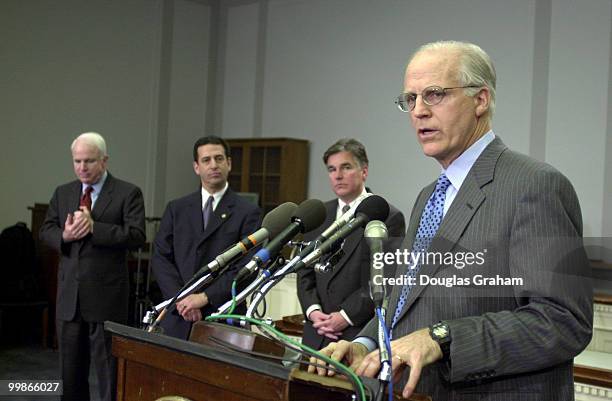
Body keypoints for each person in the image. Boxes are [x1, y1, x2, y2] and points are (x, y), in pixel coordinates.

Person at [310, 41, 592, 401]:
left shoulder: (534, 185)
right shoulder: (429, 195)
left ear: (481, 99)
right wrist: (366, 343)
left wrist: (441, 338)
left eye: (434, 95)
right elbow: (407, 296)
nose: (419, 111)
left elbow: (563, 321)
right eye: (410, 99)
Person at [40, 132, 146, 401]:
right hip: (69, 300)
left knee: (108, 374)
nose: (82, 167)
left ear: (104, 160)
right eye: (77, 161)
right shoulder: (63, 192)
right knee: (70, 376)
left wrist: (94, 228)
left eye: (89, 161)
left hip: (106, 300)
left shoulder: (128, 192)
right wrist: (64, 236)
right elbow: (46, 230)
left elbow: (136, 235)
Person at [297, 138, 405, 350]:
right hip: (316, 332)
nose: (337, 175)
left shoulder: (387, 216)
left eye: (346, 167)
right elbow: (304, 271)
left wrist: (345, 316)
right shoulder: (318, 215)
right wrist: (313, 311)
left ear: (364, 171)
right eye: (331, 169)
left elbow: (385, 277)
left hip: (356, 334)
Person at [152, 135, 261, 339]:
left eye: (219, 159)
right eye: (206, 160)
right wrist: (183, 299)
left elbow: (247, 267)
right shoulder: (177, 209)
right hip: (179, 314)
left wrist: (204, 297)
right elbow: (161, 258)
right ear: (196, 167)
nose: (213, 165)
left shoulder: (248, 212)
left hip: (222, 314)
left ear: (229, 163)